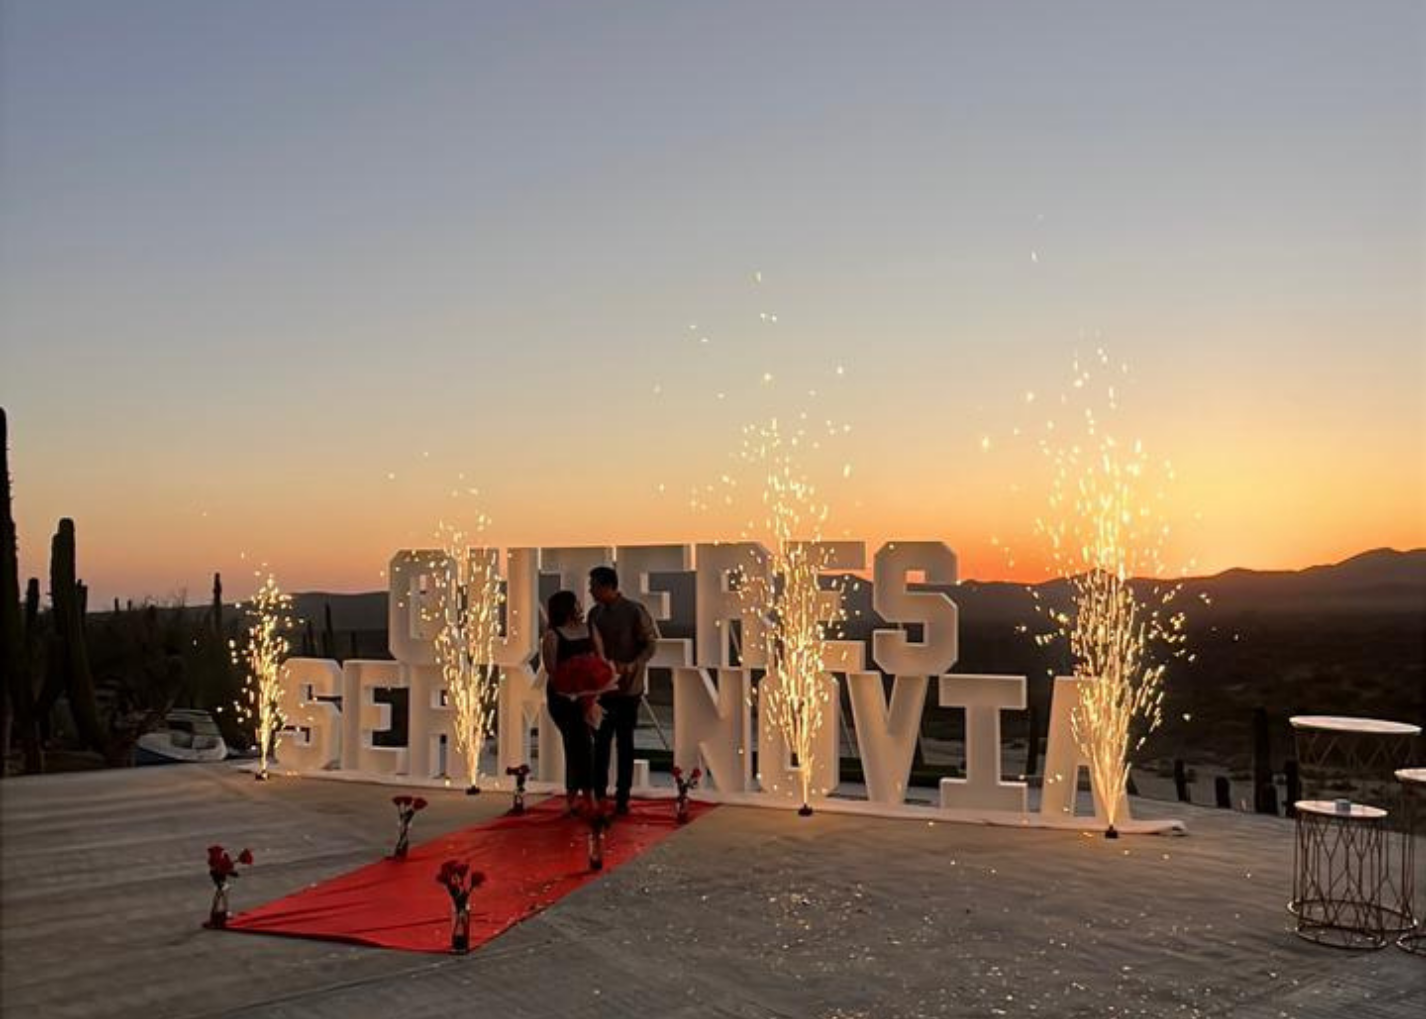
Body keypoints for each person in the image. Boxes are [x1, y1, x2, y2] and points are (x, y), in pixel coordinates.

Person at [587, 566, 660, 814]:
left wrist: (632, 666)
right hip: (602, 690)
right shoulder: (594, 614)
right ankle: (599, 795)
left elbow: (650, 645)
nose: (591, 591)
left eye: (594, 586)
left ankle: (622, 798)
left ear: (608, 587)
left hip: (629, 690)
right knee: (601, 743)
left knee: (625, 743)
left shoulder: (634, 611)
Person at [541, 590, 608, 813]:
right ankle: (586, 796)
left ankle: (575, 795)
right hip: (563, 699)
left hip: (589, 695)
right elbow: (552, 669)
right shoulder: (553, 636)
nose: (580, 606)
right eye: (576, 603)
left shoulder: (589, 628)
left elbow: (600, 658)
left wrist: (595, 683)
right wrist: (572, 686)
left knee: (582, 745)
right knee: (578, 743)